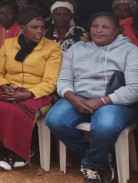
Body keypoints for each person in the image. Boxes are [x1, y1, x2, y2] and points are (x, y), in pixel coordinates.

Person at [46, 12, 138, 183]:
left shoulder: (130, 51)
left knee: (104, 126)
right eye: (95, 26)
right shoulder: (77, 48)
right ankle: (101, 159)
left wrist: (101, 101)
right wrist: (72, 98)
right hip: (80, 96)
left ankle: (91, 164)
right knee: (55, 120)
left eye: (105, 27)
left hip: (114, 100)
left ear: (117, 29)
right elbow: (64, 81)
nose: (99, 30)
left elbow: (134, 89)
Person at [0, 6, 62, 170]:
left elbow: (50, 82)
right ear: (22, 28)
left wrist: (28, 94)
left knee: (17, 110)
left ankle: (18, 154)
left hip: (37, 93)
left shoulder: (52, 48)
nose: (40, 31)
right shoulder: (8, 44)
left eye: (43, 27)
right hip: (9, 88)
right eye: (34, 27)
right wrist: (3, 86)